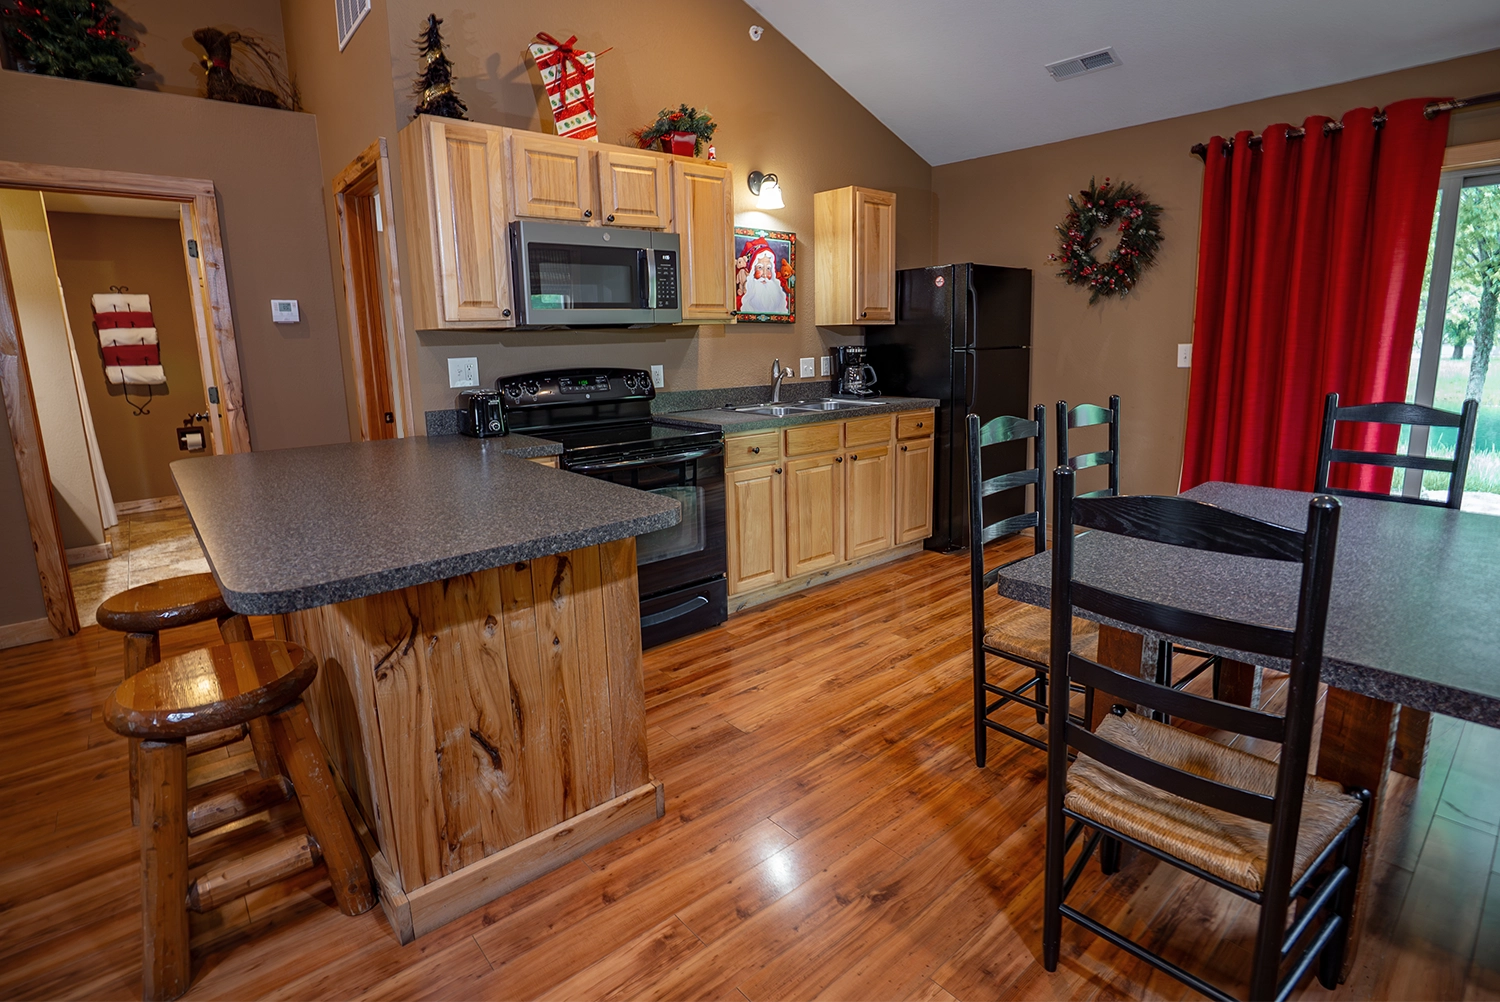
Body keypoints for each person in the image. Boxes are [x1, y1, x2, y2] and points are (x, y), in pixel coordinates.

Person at [738, 238, 789, 315]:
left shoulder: (783, 301)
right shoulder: (739, 304)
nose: (765, 275)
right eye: (760, 268)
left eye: (768, 268)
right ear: (751, 272)